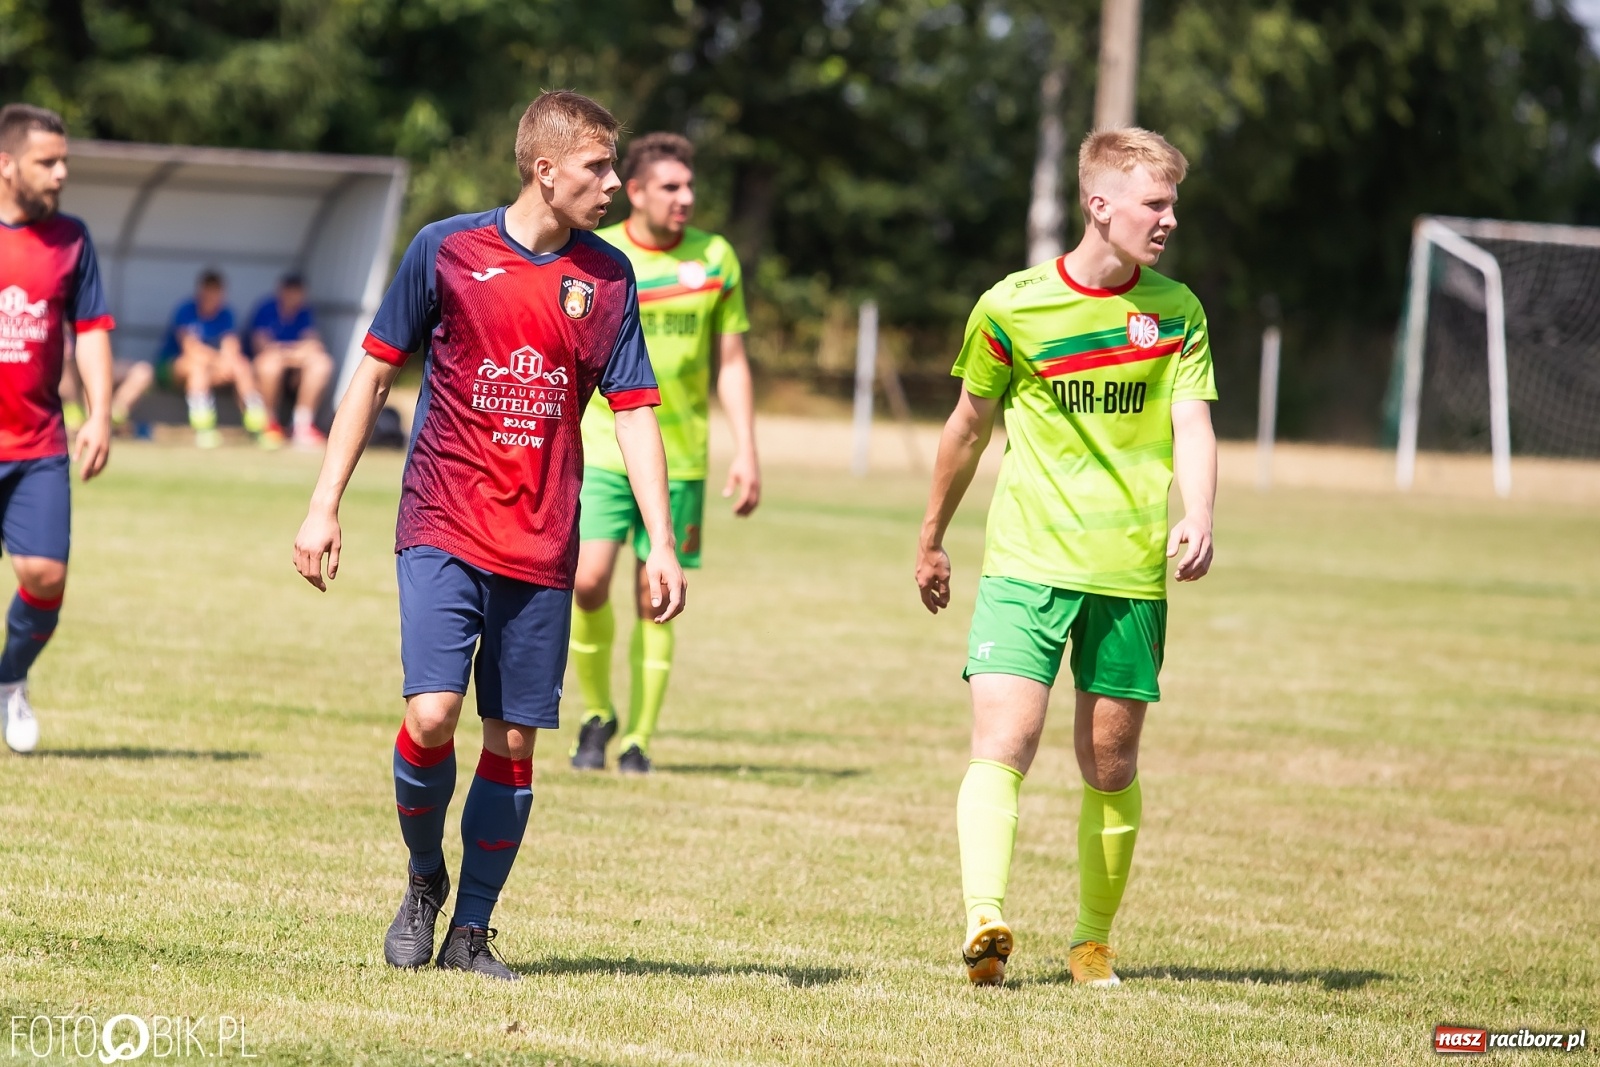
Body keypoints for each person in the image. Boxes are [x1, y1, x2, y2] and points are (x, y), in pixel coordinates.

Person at [292, 90, 686, 981]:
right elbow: (374, 375)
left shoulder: (610, 277)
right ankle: (423, 877)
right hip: (442, 519)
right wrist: (324, 501)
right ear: (545, 170)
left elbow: (633, 412)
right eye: (597, 167)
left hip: (542, 541)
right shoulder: (446, 248)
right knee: (431, 714)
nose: (613, 184)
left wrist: (660, 540)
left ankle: (470, 929)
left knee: (511, 744)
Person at [915, 128, 1217, 988]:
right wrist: (932, 534)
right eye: (1155, 203)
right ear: (1100, 204)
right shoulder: (1012, 306)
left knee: (1110, 765)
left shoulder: (1178, 311)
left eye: (1171, 204)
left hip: (1128, 573)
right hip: (1025, 563)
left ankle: (1091, 943)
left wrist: (1199, 510)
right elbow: (967, 427)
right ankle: (984, 920)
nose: (1168, 219)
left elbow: (1193, 421)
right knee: (1003, 741)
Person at [568, 132, 759, 775]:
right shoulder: (597, 253)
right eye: (670, 187)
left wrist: (746, 450)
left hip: (681, 456)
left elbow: (731, 362)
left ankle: (638, 740)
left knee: (656, 596)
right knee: (587, 582)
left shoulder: (716, 258)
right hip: (602, 445)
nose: (685, 198)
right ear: (637, 192)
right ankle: (597, 713)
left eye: (690, 186)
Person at [0, 103, 115, 753]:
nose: (61, 172)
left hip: (38, 444)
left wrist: (99, 413)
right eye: (47, 161)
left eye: (64, 160)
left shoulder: (72, 239)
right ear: (6, 164)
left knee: (45, 577)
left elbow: (91, 329)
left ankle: (10, 679)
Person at [159, 269, 269, 448]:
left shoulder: (226, 314)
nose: (211, 296)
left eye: (216, 292)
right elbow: (191, 349)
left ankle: (258, 424)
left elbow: (231, 346)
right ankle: (203, 428)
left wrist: (228, 362)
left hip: (213, 370)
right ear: (200, 291)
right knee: (198, 367)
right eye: (208, 291)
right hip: (174, 368)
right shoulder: (185, 310)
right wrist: (220, 361)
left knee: (241, 365)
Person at [249, 273, 333, 450]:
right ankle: (268, 423)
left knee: (321, 364)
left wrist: (286, 353)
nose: (293, 297)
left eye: (297, 292)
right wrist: (294, 353)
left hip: (293, 371)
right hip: (267, 368)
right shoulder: (266, 309)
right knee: (269, 365)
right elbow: (262, 346)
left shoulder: (304, 312)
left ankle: (302, 424)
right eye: (290, 291)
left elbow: (314, 344)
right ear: (281, 291)